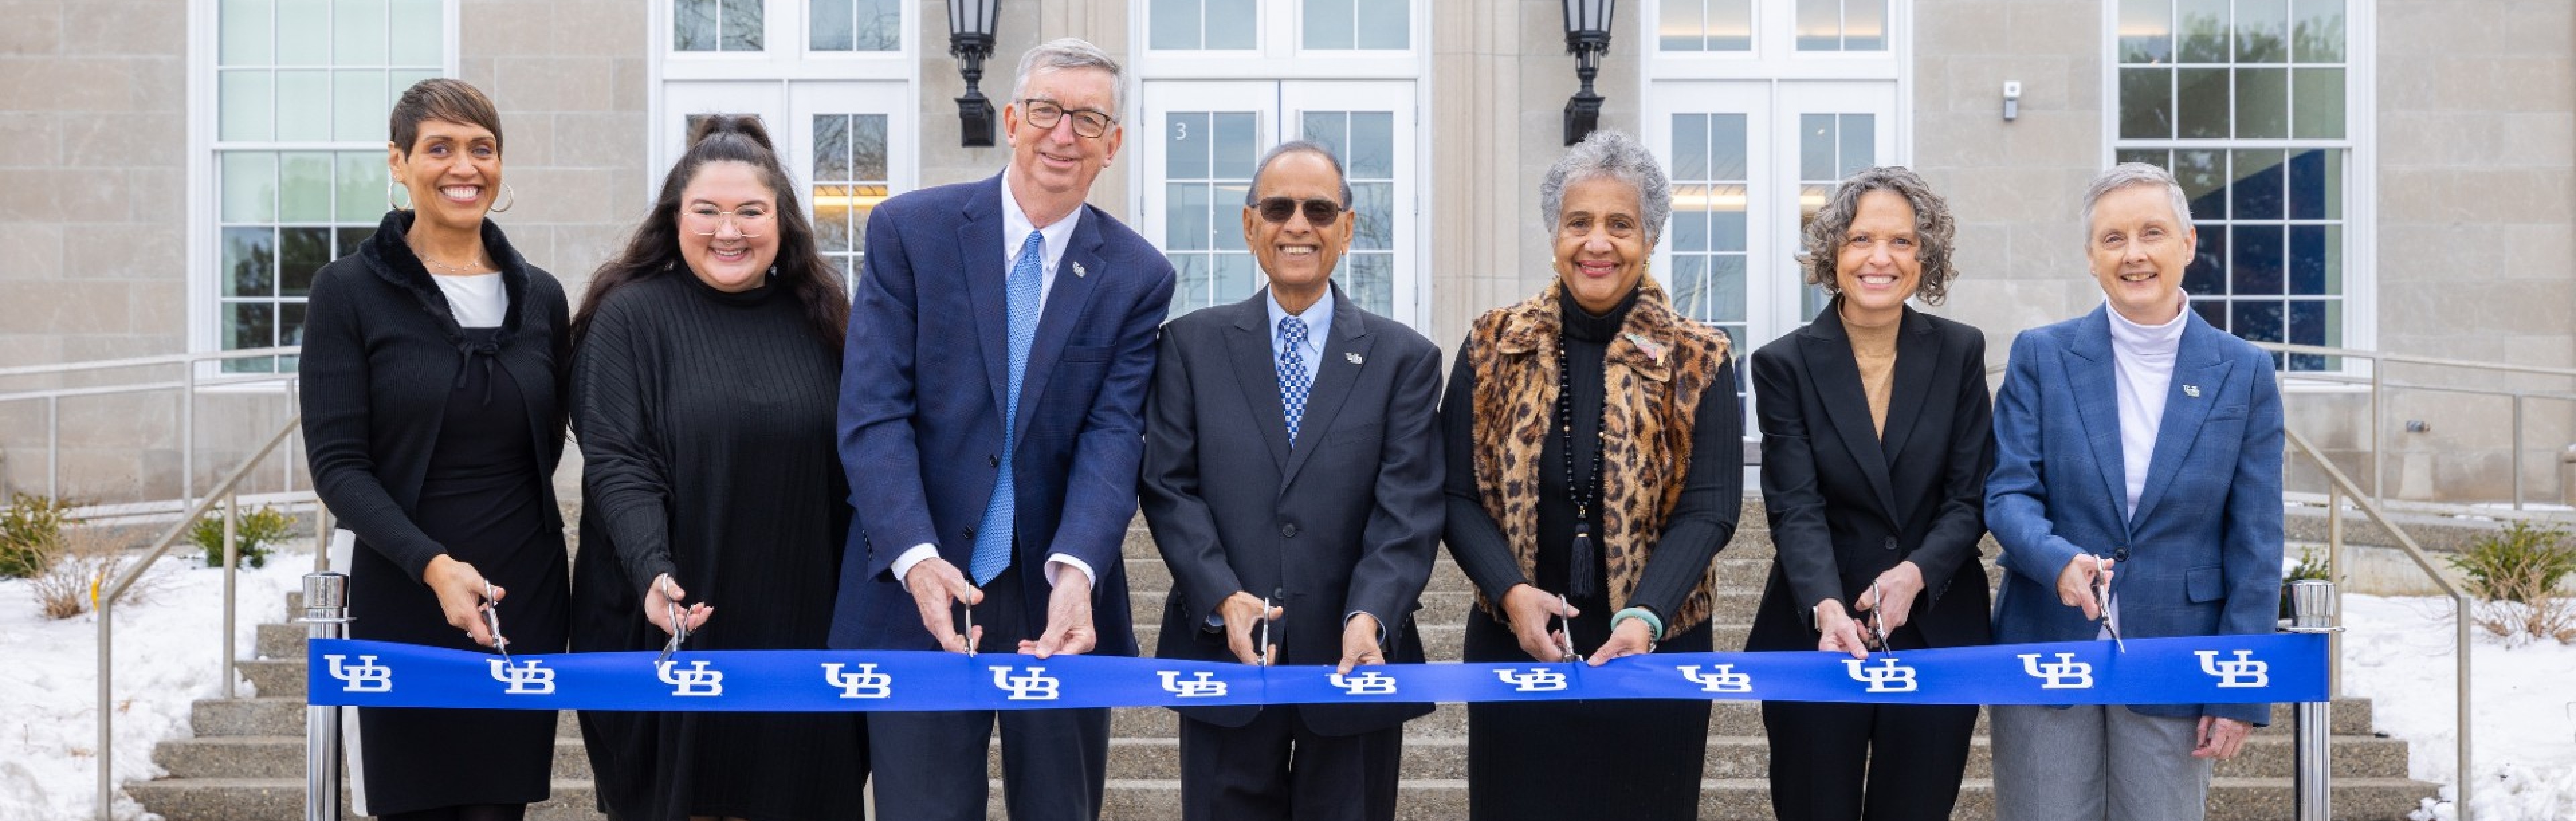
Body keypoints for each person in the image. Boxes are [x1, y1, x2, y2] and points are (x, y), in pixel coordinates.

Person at [829, 38, 1176, 821]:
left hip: (1057, 600)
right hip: (914, 582)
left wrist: (1078, 571)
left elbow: (1114, 436)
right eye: (1049, 111)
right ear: (1014, 119)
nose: (1064, 134)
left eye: (1089, 119)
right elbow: (874, 413)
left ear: (1112, 145)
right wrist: (916, 560)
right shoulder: (908, 232)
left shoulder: (1138, 274)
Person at [565, 114, 864, 821]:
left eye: (750, 212)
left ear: (782, 223)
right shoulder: (629, 317)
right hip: (668, 615)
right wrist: (652, 573)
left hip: (798, 632)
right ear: (675, 219)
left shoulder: (826, 321)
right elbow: (618, 461)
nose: (728, 231)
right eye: (707, 211)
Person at [1441, 129, 1743, 820]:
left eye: (1620, 225)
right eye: (1579, 223)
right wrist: (1511, 594)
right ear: (1555, 234)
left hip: (1655, 655)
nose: (1597, 243)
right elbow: (1454, 492)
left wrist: (1646, 616)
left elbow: (1712, 506)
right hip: (1516, 647)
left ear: (1651, 238)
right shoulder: (1493, 342)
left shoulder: (1699, 353)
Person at [1139, 140, 1444, 821]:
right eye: (1279, 208)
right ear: (1251, 226)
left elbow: (1410, 509)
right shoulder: (1189, 347)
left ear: (1347, 227)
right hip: (1226, 664)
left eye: (1319, 209)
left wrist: (1371, 616)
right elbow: (1168, 485)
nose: (1298, 225)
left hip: (1354, 669)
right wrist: (1220, 595)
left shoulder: (1406, 360)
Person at [299, 78, 567, 821]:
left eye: (482, 149)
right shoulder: (346, 291)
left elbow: (543, 446)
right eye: (439, 148)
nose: (464, 167)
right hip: (404, 586)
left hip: (524, 591)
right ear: (398, 161)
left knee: (498, 807)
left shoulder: (541, 296)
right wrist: (435, 566)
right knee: (418, 804)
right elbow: (338, 465)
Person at [1984, 162, 2284, 821]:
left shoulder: (2245, 372)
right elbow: (2008, 493)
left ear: (2188, 242)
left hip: (2178, 658)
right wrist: (2057, 559)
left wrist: (2239, 690)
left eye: (2152, 232)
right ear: (2092, 257)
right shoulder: (2042, 356)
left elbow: (2257, 544)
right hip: (2048, 651)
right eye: (2113, 238)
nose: (2135, 254)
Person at [1744, 166, 1994, 821]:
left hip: (1936, 626)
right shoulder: (1783, 364)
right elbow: (1795, 504)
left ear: (1924, 257)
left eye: (1902, 242)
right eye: (1860, 240)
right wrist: (1826, 606)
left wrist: (1915, 575)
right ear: (1833, 253)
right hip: (1819, 630)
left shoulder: (1962, 352)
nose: (1880, 258)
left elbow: (1970, 498)